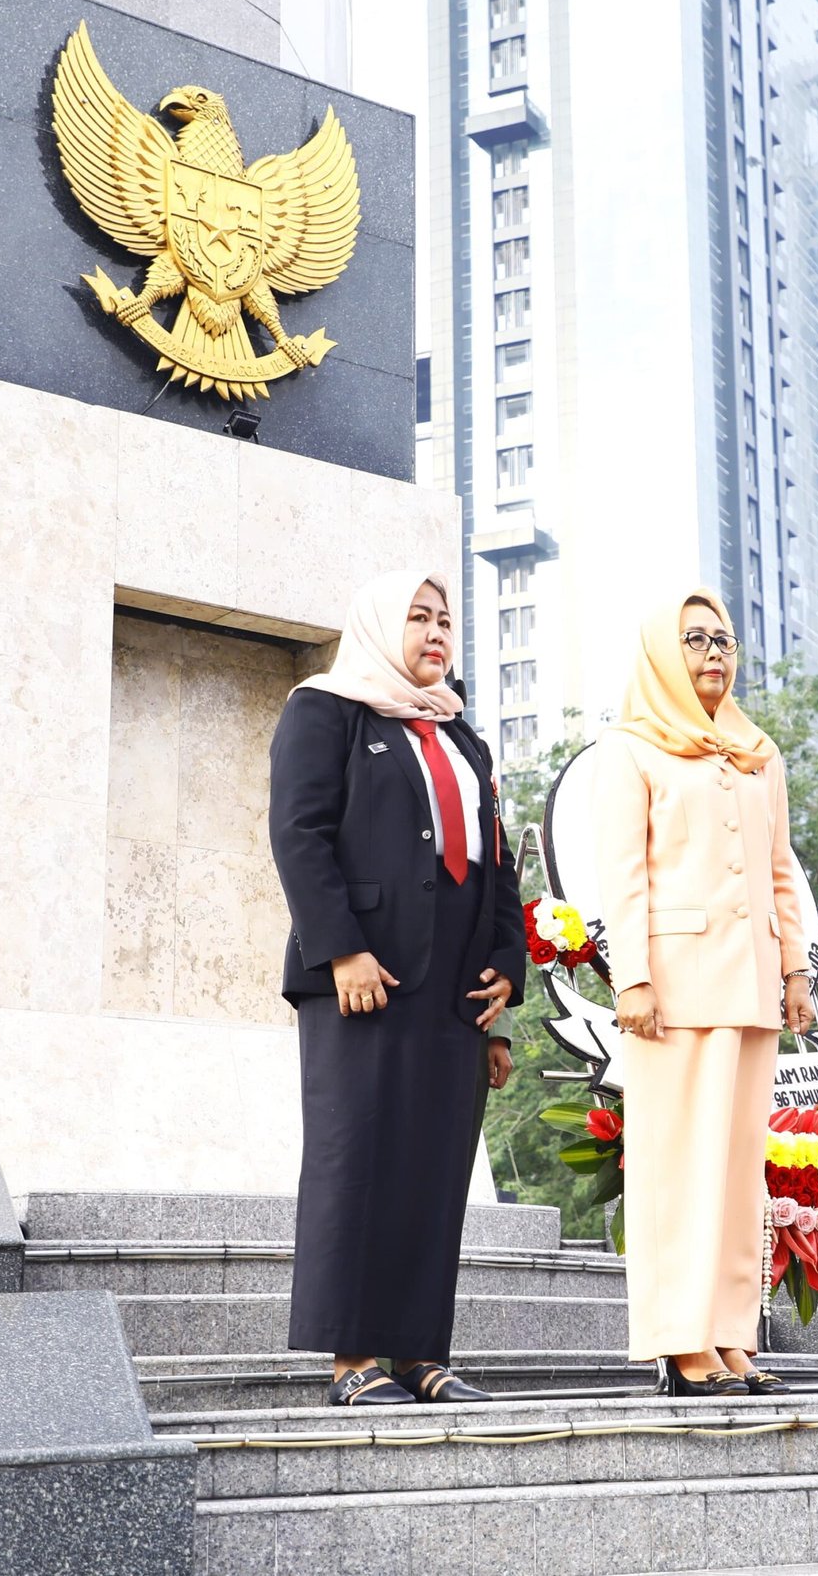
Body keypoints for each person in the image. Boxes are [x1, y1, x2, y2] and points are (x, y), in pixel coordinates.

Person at [268, 570, 526, 1406]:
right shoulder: (326, 709)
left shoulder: (463, 737)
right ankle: (353, 1358)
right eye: (417, 617)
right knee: (360, 1161)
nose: (434, 632)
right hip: (364, 980)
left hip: (455, 992)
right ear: (381, 627)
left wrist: (506, 977)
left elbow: (497, 863)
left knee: (433, 1168)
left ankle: (419, 1352)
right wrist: (339, 949)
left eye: (445, 619)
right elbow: (298, 833)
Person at [594, 587, 815, 1398]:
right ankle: (677, 1340)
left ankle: (728, 1335)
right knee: (674, 1167)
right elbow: (620, 875)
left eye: (723, 638)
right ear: (663, 653)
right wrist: (634, 978)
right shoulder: (631, 749)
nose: (715, 653)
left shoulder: (759, 751)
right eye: (696, 640)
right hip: (673, 992)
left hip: (753, 985)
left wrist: (797, 969)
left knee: (733, 1172)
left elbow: (783, 869)